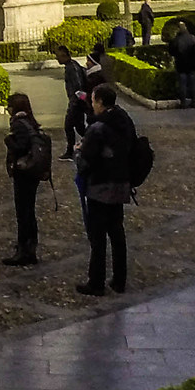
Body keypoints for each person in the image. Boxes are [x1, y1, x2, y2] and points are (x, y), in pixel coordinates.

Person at [75, 81, 140, 296]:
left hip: (101, 185)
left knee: (98, 236)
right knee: (117, 233)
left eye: (93, 101)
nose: (92, 105)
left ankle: (96, 282)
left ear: (101, 102)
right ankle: (119, 279)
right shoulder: (124, 120)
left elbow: (87, 161)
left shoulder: (98, 128)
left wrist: (79, 152)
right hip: (122, 182)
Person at [0, 91, 49, 267]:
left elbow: (20, 146)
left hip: (24, 172)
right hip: (33, 172)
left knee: (23, 212)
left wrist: (8, 141)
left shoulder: (19, 124)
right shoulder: (30, 121)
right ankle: (30, 248)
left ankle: (24, 250)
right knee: (29, 211)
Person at [170, 20, 195, 109]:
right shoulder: (192, 38)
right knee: (192, 83)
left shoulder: (176, 40)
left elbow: (171, 51)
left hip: (180, 64)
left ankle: (183, 103)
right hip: (191, 64)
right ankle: (194, 101)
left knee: (182, 84)